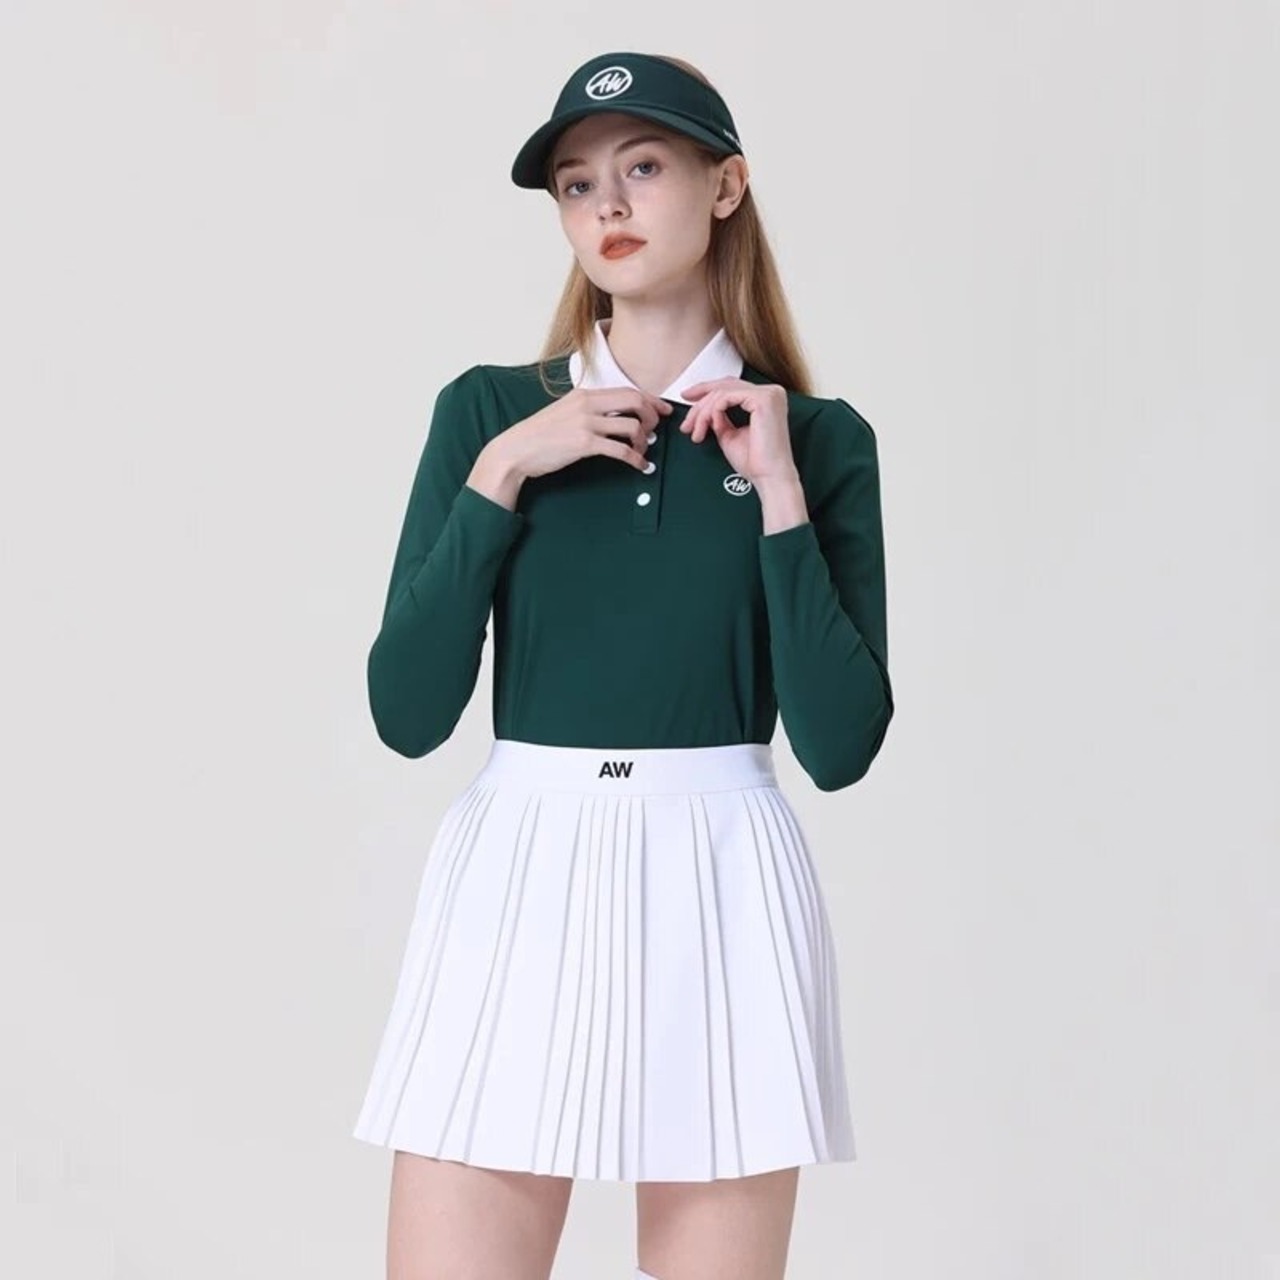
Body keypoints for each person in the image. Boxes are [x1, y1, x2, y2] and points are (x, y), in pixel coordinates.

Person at [351, 49, 894, 1280]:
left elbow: (840, 743)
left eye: (642, 167)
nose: (606, 203)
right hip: (518, 867)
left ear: (724, 185)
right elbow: (406, 710)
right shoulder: (487, 413)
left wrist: (777, 493)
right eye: (576, 181)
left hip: (722, 872)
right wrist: (504, 470)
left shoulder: (816, 440)